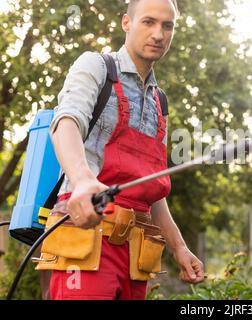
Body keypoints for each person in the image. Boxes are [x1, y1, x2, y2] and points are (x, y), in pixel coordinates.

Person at [36, 0, 205, 300]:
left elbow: (151, 187)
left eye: (168, 26)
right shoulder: (96, 66)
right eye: (148, 22)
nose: (158, 34)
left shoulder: (160, 103)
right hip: (88, 231)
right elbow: (66, 121)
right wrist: (83, 179)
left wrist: (179, 247)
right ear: (127, 23)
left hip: (136, 250)